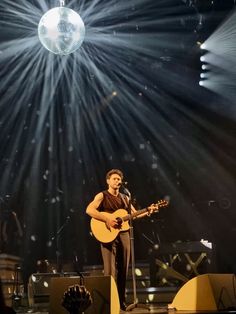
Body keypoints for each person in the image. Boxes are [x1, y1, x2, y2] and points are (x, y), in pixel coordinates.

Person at [86, 169, 155, 311]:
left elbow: (134, 215)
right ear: (108, 181)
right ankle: (108, 302)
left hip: (124, 234)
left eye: (119, 179)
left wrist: (148, 210)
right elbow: (89, 210)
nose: (117, 181)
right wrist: (107, 219)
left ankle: (121, 301)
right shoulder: (102, 195)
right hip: (107, 234)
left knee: (123, 269)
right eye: (114, 179)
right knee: (109, 271)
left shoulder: (125, 197)